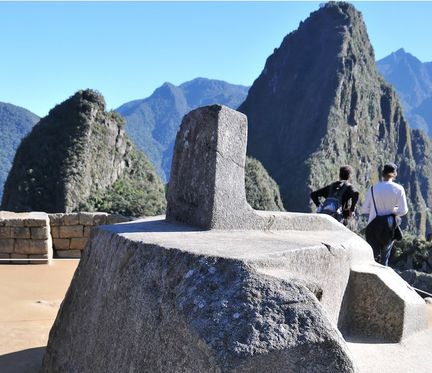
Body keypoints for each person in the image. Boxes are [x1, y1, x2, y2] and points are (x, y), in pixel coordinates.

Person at [360, 163, 408, 266]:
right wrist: (393, 211)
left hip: (372, 228)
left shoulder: (373, 188)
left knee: (371, 259)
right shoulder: (399, 189)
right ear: (394, 174)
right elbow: (403, 210)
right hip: (388, 229)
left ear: (382, 173)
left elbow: (364, 209)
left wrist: (374, 210)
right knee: (384, 261)